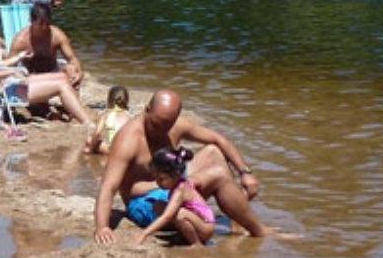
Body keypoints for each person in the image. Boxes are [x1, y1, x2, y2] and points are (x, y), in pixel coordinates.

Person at [93, 89, 272, 243]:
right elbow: (108, 187)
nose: (160, 130)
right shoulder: (129, 139)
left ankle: (238, 219)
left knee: (213, 152)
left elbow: (219, 139)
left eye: (166, 125)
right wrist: (102, 227)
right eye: (156, 124)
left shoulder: (174, 125)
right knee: (218, 175)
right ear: (147, 109)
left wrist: (245, 172)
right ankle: (260, 232)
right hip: (144, 203)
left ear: (176, 119)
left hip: (172, 184)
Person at [0, 21, 89, 125]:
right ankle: (87, 122)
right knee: (62, 86)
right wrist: (11, 73)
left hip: (10, 85)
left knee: (62, 77)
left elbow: (2, 64)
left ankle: (74, 112)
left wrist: (19, 56)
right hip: (6, 93)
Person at [132, 147, 221, 246]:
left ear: (176, 175)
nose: (157, 182)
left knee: (179, 214)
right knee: (159, 205)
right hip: (199, 221)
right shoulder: (178, 184)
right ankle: (185, 234)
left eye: (161, 179)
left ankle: (196, 243)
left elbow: (166, 217)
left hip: (206, 227)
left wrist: (144, 234)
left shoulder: (180, 190)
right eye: (155, 178)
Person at [8, 2, 84, 86]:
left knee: (71, 69)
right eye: (40, 24)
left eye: (47, 24)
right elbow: (9, 66)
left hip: (53, 72)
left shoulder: (57, 35)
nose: (44, 27)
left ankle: (74, 98)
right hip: (31, 77)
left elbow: (72, 58)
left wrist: (79, 72)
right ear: (31, 20)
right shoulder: (21, 40)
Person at [85, 85, 133, 155]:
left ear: (109, 100)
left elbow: (97, 133)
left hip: (112, 150)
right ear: (127, 101)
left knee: (89, 140)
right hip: (126, 151)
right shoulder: (129, 117)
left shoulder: (106, 115)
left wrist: (91, 149)